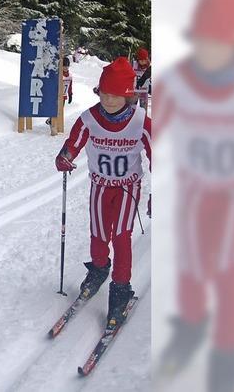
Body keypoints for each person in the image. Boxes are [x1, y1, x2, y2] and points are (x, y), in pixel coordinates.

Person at [153, 0, 234, 391]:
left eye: (221, 41)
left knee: (227, 273)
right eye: (204, 40)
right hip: (193, 193)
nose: (211, 50)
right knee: (190, 266)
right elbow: (154, 132)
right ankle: (190, 325)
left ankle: (226, 354)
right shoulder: (175, 82)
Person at [55, 57, 152, 328]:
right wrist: (65, 157)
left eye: (116, 95)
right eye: (105, 94)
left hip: (127, 187)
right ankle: (99, 268)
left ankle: (121, 286)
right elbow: (72, 143)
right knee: (98, 234)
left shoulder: (141, 122)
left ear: (128, 96)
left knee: (121, 236)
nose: (109, 101)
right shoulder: (90, 118)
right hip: (100, 185)